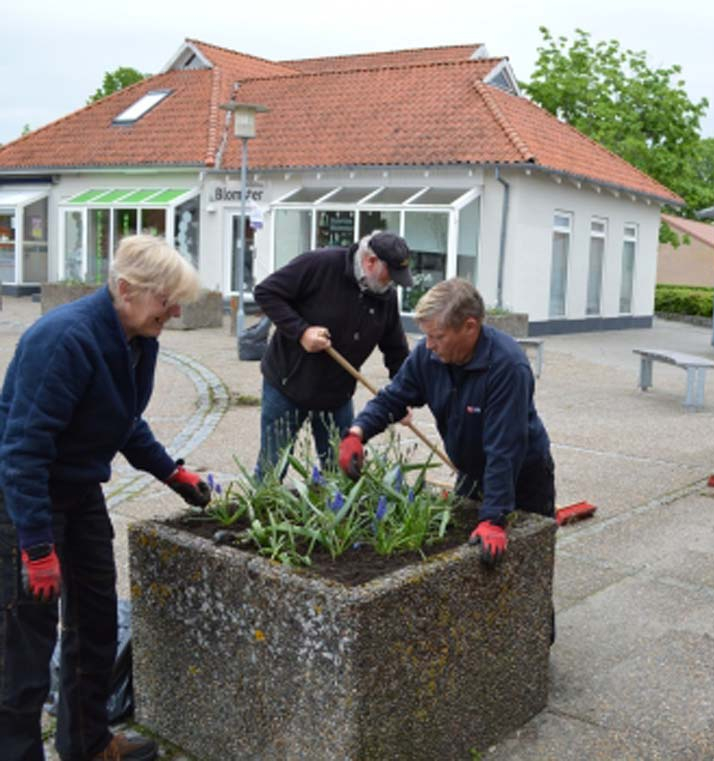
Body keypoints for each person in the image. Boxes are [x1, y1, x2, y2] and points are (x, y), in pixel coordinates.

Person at [0, 235, 212, 761]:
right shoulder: (65, 339)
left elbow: (122, 420)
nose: (176, 311)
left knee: (95, 621)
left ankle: (88, 743)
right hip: (26, 498)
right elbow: (24, 450)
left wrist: (172, 473)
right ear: (126, 288)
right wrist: (36, 546)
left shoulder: (135, 338)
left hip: (78, 491)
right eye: (167, 300)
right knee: (26, 644)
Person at [339, 278, 555, 567]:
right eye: (426, 336)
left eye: (437, 336)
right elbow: (393, 398)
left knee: (527, 564)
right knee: (466, 558)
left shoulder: (507, 367)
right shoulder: (428, 355)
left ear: (469, 327)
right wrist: (357, 432)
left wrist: (494, 518)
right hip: (471, 472)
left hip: (522, 478)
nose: (429, 345)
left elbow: (504, 448)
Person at [253, 231, 412, 477]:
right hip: (288, 384)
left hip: (337, 394)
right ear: (370, 261)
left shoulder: (385, 296)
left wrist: (403, 397)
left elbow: (396, 350)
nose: (392, 282)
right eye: (390, 273)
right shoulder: (321, 264)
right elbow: (266, 292)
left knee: (342, 472)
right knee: (272, 469)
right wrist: (302, 332)